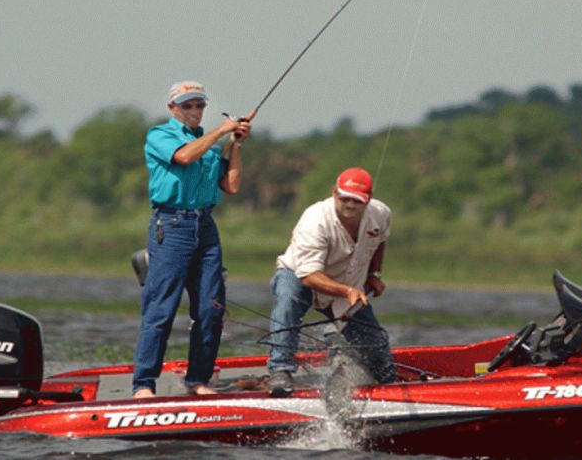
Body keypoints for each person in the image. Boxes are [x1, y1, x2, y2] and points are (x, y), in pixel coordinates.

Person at [132, 80, 251, 399]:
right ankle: (143, 384)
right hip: (171, 226)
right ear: (173, 108)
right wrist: (221, 132)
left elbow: (231, 186)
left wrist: (235, 145)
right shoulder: (159, 135)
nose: (195, 110)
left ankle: (198, 380)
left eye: (199, 105)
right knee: (161, 308)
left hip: (205, 226)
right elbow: (184, 157)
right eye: (187, 105)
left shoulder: (210, 145)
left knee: (211, 308)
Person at [266, 167, 397, 397]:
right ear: (334, 192)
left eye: (357, 200)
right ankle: (280, 370)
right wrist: (347, 291)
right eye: (344, 198)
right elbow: (309, 275)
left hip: (348, 284)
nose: (350, 205)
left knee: (378, 352)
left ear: (368, 200)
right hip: (300, 275)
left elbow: (380, 239)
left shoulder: (381, 214)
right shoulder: (315, 220)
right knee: (287, 298)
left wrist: (374, 274)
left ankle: (383, 383)